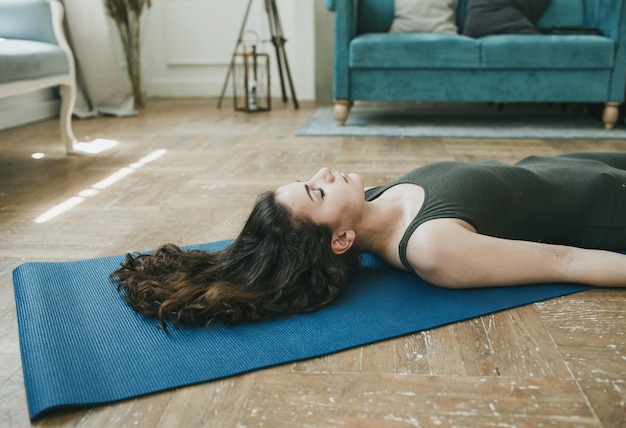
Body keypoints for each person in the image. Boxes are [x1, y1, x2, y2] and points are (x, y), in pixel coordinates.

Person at [111, 152, 626, 329]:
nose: (325, 171)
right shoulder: (431, 248)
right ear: (341, 241)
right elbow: (565, 258)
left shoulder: (372, 202)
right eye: (316, 189)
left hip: (577, 166)